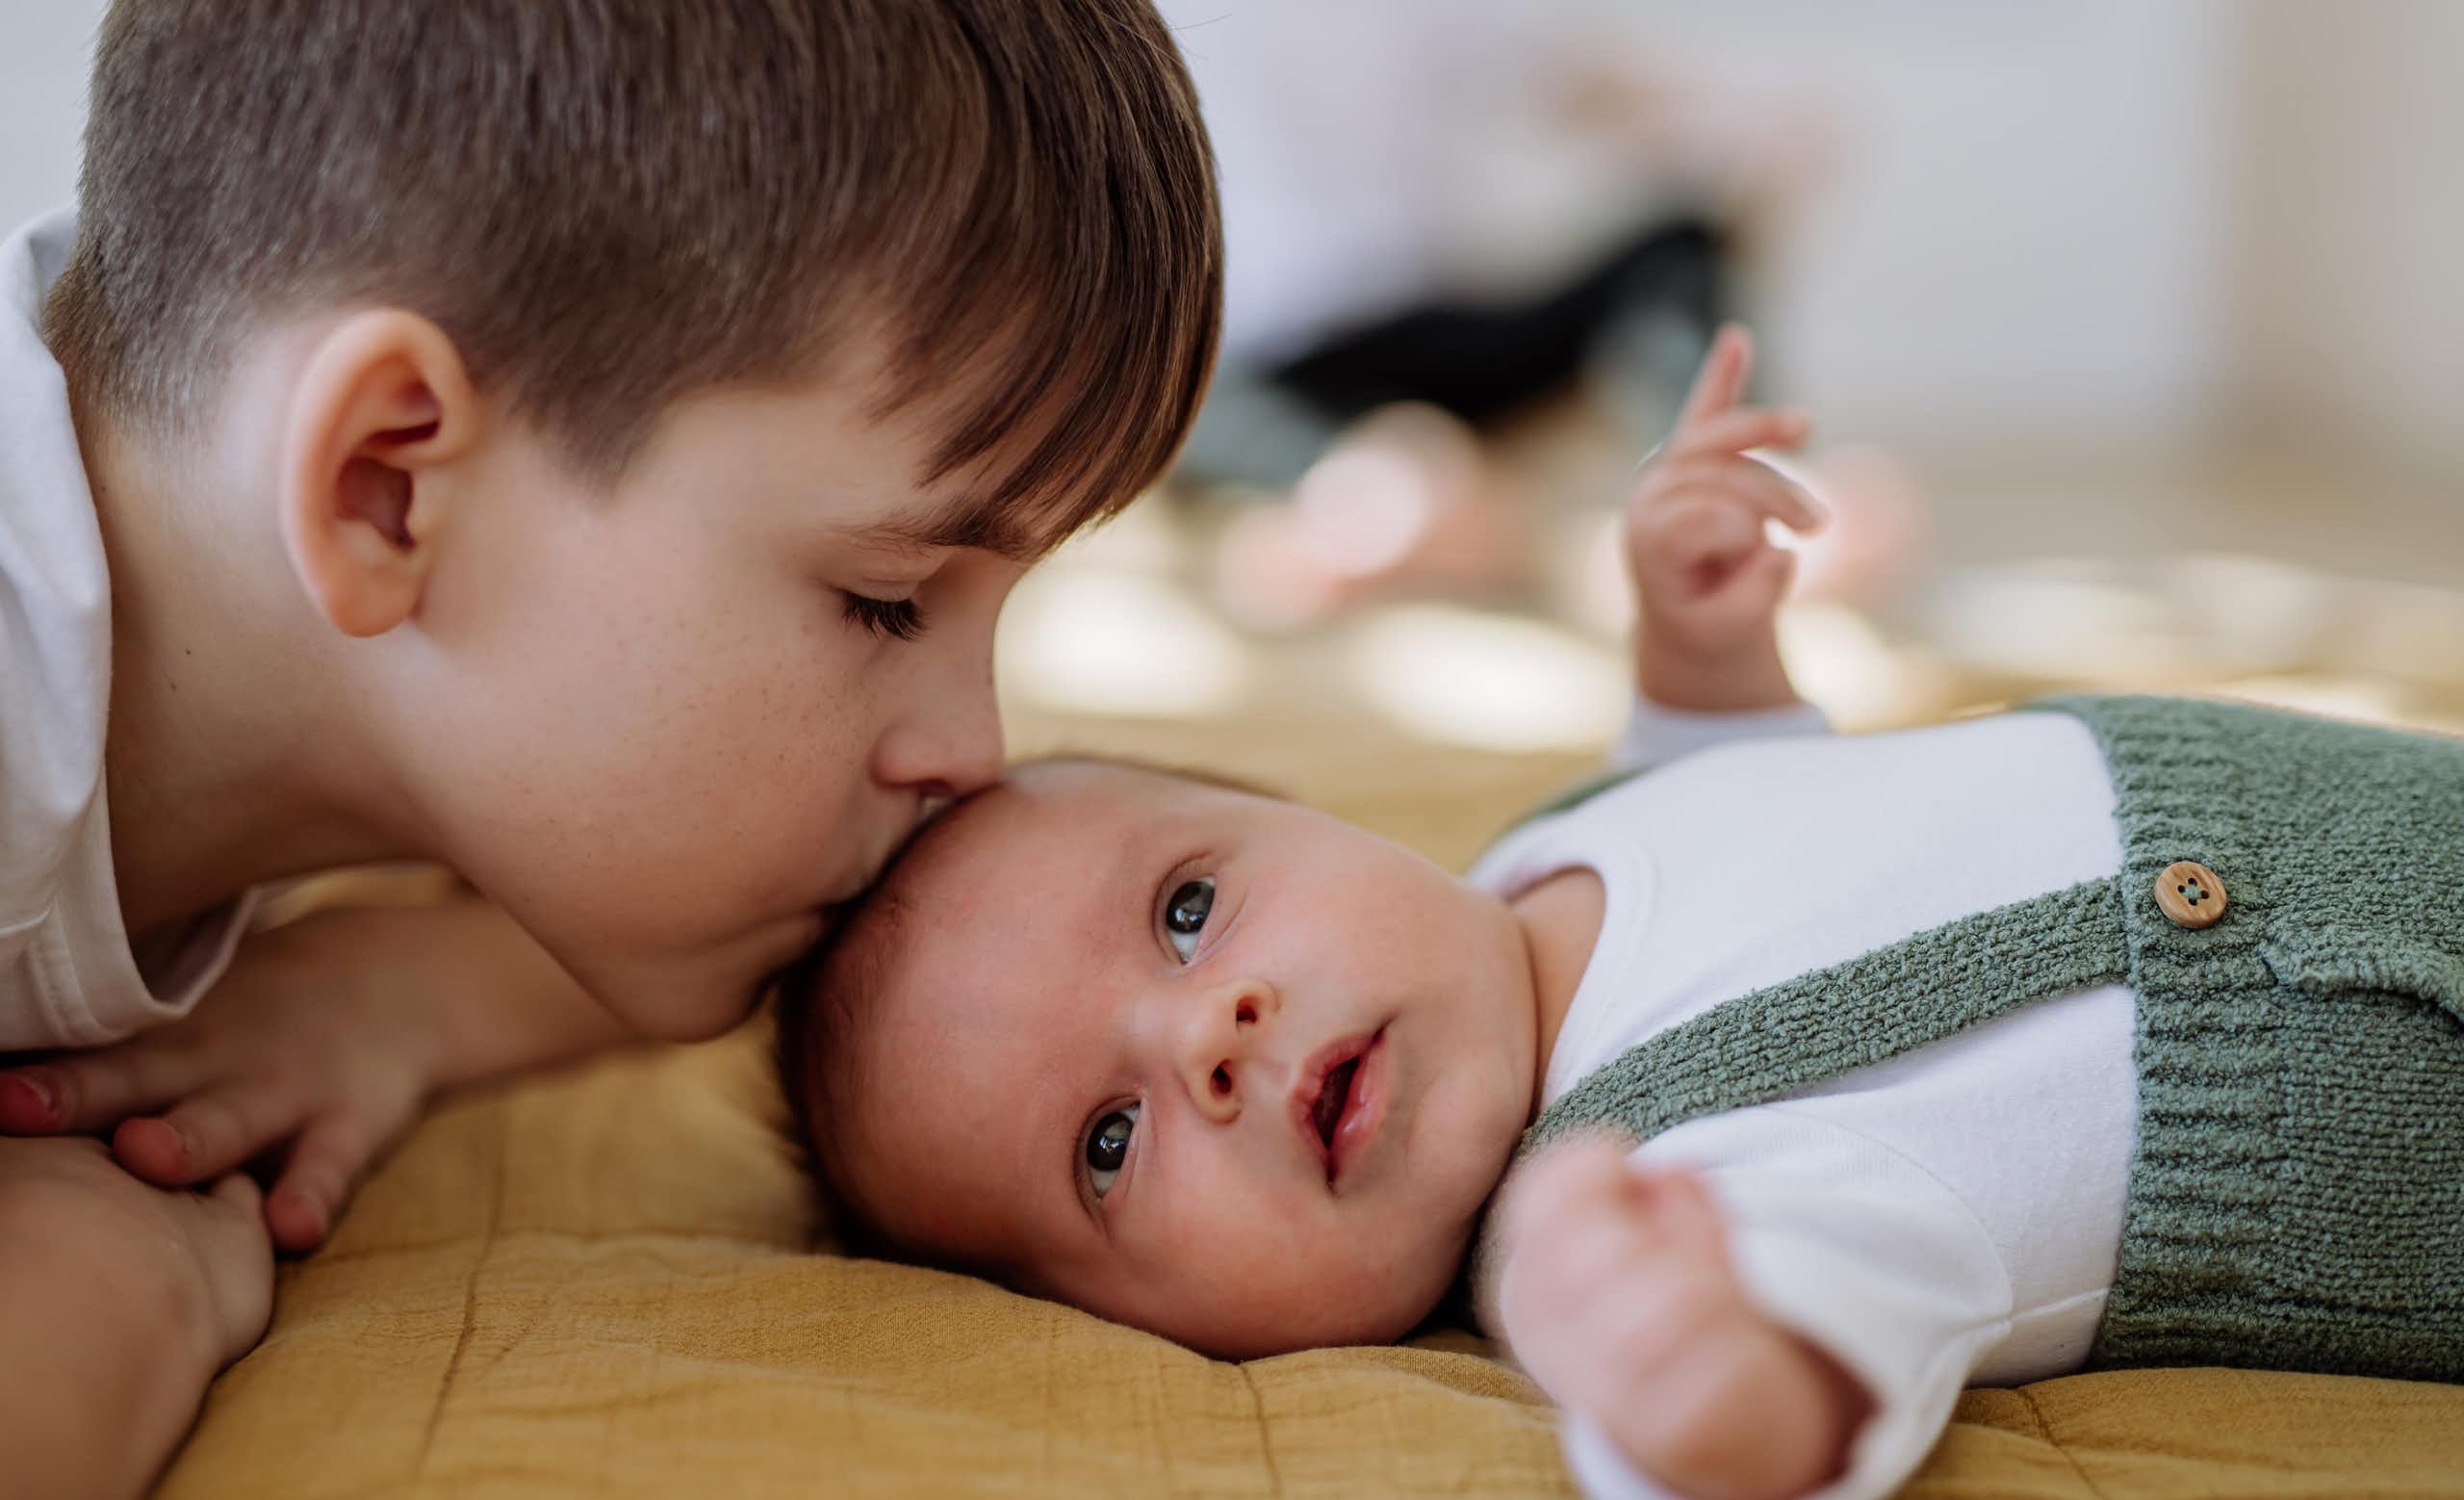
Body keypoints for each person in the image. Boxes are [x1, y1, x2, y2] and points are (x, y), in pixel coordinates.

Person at [776, 329, 2464, 1500]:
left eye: (1192, 908)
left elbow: (1740, 804)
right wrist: (1685, 1382)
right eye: (1105, 1144)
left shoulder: (1535, 858)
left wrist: (1703, 657)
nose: (1203, 1040)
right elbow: (1810, 1359)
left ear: (1307, 813)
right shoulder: (1612, 1216)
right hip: (2387, 1102)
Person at [0, 3, 1219, 1494]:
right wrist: (105, 1282)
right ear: (388, 485)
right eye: (886, 600)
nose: (975, 751)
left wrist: (405, 990)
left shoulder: (270, 596)